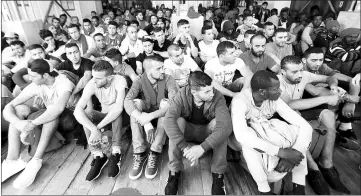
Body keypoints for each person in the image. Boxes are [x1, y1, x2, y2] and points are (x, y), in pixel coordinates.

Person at [229, 70, 312, 194]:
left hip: (263, 133)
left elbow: (305, 126)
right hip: (237, 140)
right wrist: (281, 152)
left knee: (297, 132)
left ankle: (299, 188)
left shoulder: (273, 99)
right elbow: (242, 136)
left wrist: (294, 152)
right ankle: (264, 189)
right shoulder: (240, 101)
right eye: (276, 89)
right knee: (249, 142)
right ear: (262, 91)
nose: (280, 91)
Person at [278, 56, 350, 195]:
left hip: (297, 112)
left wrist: (334, 87)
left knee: (328, 114)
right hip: (280, 118)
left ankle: (327, 163)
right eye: (294, 72)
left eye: (300, 70)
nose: (299, 74)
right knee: (297, 118)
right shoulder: (277, 82)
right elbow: (291, 105)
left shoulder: (304, 75)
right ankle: (313, 168)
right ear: (282, 72)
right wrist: (326, 98)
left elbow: (329, 78)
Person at [2, 59, 76, 188]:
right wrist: (18, 123)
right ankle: (12, 160)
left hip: (68, 120)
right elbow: (10, 106)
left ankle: (36, 161)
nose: (30, 79)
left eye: (33, 76)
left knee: (50, 114)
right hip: (49, 116)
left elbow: (57, 109)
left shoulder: (63, 82)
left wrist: (30, 126)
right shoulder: (37, 83)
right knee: (19, 109)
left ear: (45, 75)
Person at [163, 71, 231, 195]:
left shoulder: (217, 95)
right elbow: (168, 121)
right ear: (194, 92)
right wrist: (184, 147)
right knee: (178, 122)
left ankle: (218, 175)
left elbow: (226, 126)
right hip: (188, 131)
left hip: (206, 132)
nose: (211, 94)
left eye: (211, 89)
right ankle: (174, 171)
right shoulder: (182, 94)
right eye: (207, 92)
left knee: (220, 126)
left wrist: (202, 148)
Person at [124, 55, 178, 180]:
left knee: (166, 103)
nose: (163, 71)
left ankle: (155, 151)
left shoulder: (169, 79)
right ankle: (140, 152)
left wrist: (149, 117)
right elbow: (127, 101)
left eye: (163, 67)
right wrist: (146, 122)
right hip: (146, 112)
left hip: (160, 115)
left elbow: (174, 104)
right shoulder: (139, 80)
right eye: (159, 69)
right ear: (148, 71)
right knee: (135, 103)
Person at [74, 60, 128, 181]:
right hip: (104, 117)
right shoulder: (92, 83)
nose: (94, 80)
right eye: (93, 76)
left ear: (110, 77)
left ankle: (116, 152)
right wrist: (93, 129)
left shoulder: (119, 80)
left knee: (115, 111)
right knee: (86, 114)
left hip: (121, 118)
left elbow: (119, 108)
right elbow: (77, 110)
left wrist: (97, 128)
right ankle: (98, 154)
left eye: (98, 78)